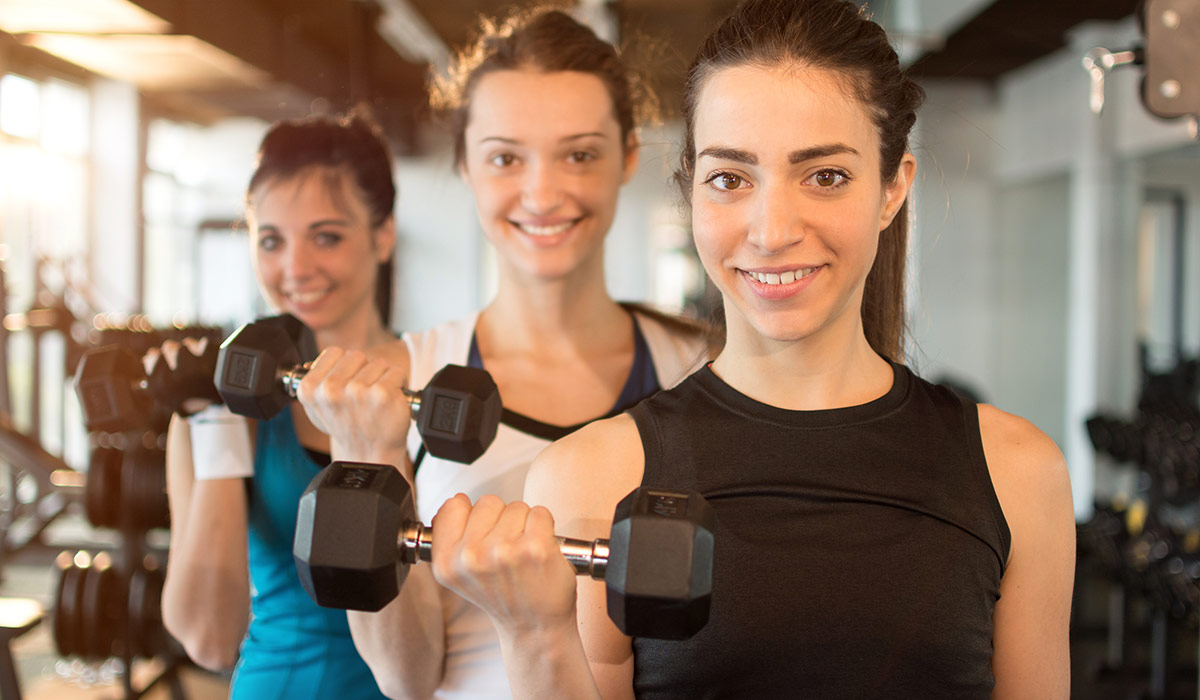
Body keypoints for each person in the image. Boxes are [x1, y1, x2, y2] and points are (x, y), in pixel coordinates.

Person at [424, 0, 1076, 698]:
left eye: (824, 175)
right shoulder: (590, 476)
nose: (771, 231)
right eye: (730, 178)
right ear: (693, 193)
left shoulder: (1018, 474)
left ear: (893, 189)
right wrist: (532, 633)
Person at [294, 8, 714, 699]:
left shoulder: (703, 368)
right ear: (465, 163)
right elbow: (404, 677)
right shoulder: (399, 381)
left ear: (629, 156)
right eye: (505, 158)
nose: (542, 194)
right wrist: (365, 456)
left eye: (579, 154)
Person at [158, 111, 400, 699]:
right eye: (271, 240)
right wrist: (218, 421)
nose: (295, 268)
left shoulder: (439, 396)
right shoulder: (216, 411)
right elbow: (210, 639)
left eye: (326, 236)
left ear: (383, 235)